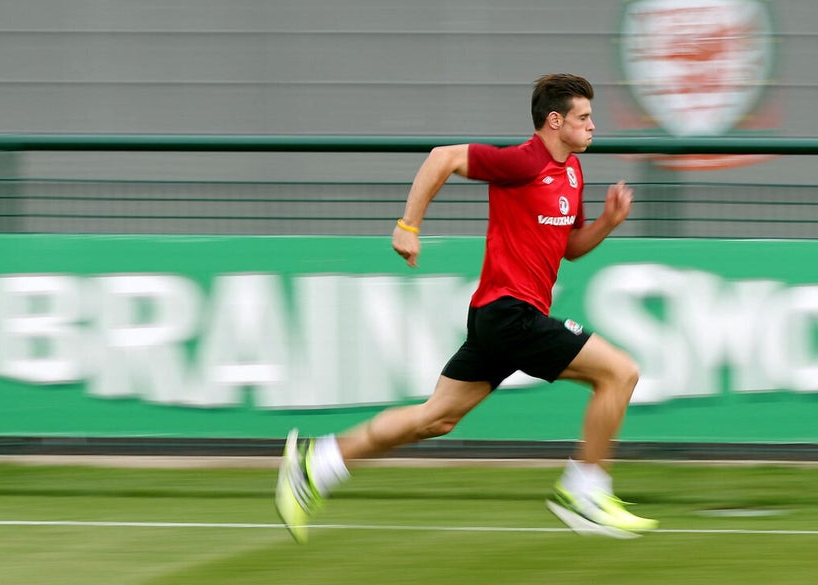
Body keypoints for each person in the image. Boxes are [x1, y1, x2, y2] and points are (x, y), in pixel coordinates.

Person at [276, 73, 657, 542]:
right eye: (584, 117)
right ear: (555, 122)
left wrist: (608, 222)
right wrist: (407, 226)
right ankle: (584, 492)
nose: (593, 125)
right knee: (619, 373)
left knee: (436, 418)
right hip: (510, 313)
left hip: (499, 319)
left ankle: (318, 464)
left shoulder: (573, 172)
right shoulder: (523, 160)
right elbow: (443, 158)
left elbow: (571, 247)